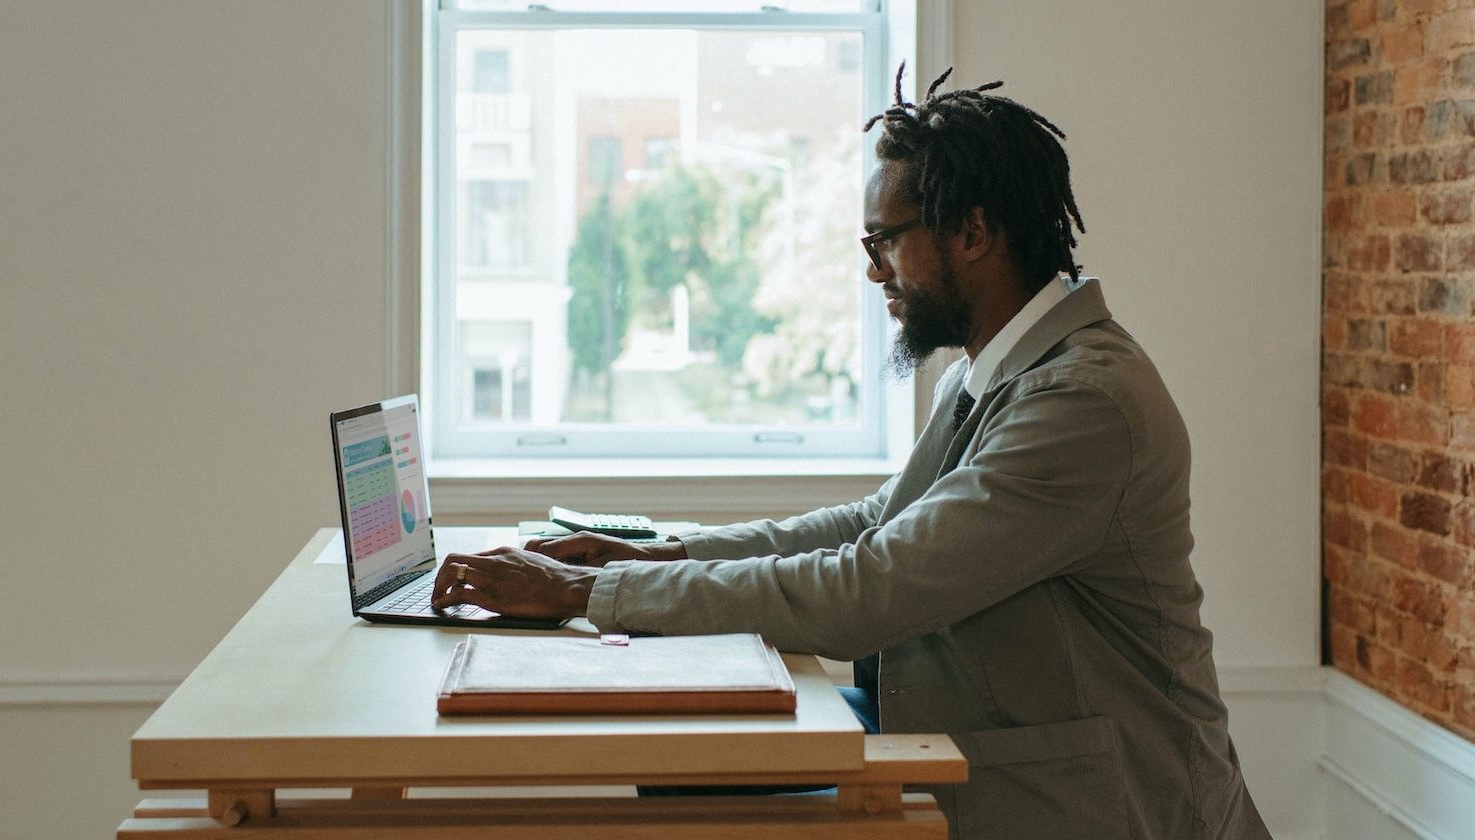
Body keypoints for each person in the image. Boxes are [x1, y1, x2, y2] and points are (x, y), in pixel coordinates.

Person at [432, 66, 1272, 840]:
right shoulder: (999, 368)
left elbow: (875, 585)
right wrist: (659, 553)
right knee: (684, 778)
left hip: (1104, 804)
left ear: (973, 232)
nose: (875, 273)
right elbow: (876, 523)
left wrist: (593, 591)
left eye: (885, 242)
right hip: (987, 749)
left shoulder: (1084, 403)